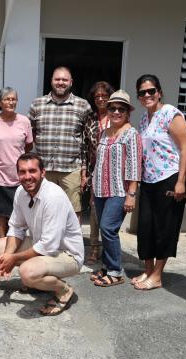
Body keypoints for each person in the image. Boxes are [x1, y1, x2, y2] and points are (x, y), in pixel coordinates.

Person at [0, 152, 83, 316]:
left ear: (43, 172)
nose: (27, 176)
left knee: (27, 272)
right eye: (22, 172)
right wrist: (7, 256)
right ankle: (38, 282)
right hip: (42, 245)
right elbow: (16, 227)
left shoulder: (53, 196)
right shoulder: (21, 192)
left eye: (32, 171)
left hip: (68, 255)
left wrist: (14, 259)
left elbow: (48, 246)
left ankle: (63, 290)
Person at [131, 75, 186, 291]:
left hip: (171, 177)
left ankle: (157, 275)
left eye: (151, 91)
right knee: (146, 226)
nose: (147, 95)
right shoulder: (143, 118)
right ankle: (147, 269)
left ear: (159, 92)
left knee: (165, 228)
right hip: (149, 179)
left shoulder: (170, 113)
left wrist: (181, 182)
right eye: (142, 92)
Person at [88, 90, 142, 287]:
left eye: (121, 109)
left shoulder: (131, 134)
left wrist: (131, 195)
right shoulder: (104, 132)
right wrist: (93, 191)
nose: (116, 112)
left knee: (108, 228)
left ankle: (115, 272)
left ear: (128, 112)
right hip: (101, 190)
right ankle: (107, 265)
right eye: (112, 108)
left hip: (119, 190)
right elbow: (98, 162)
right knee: (105, 229)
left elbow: (135, 166)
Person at [28, 66, 92, 219]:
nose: (61, 82)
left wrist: (84, 171)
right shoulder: (37, 104)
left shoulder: (83, 105)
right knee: (43, 208)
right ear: (51, 81)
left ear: (71, 82)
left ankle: (72, 242)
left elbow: (87, 141)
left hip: (71, 169)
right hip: (43, 169)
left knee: (73, 210)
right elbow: (30, 134)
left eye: (64, 79)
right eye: (57, 79)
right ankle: (44, 241)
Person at [0, 87, 33, 237]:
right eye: (7, 99)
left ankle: (18, 239)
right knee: (0, 212)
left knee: (20, 210)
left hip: (19, 176)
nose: (11, 102)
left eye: (14, 99)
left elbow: (28, 146)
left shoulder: (24, 121)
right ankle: (1, 239)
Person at [82, 81, 115, 265]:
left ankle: (110, 248)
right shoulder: (90, 119)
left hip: (113, 171)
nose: (101, 99)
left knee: (109, 211)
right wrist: (84, 172)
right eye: (97, 96)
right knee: (94, 209)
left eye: (104, 95)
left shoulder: (117, 116)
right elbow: (85, 148)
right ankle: (94, 248)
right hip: (95, 170)